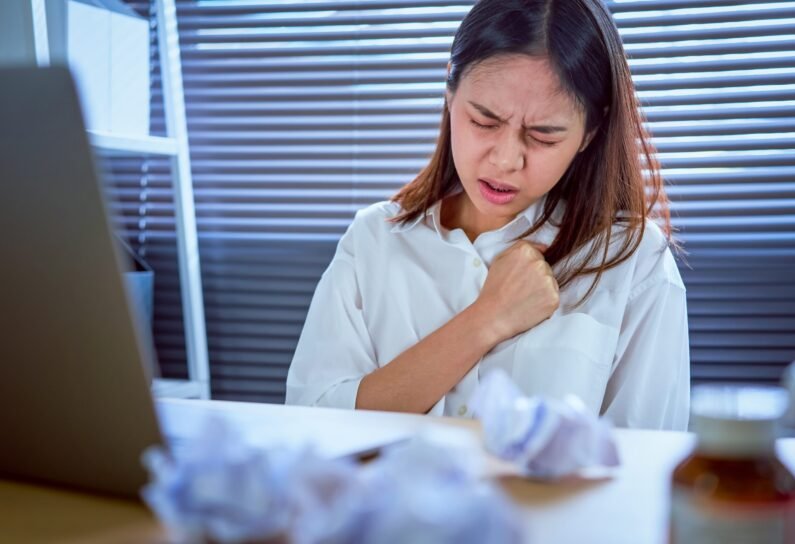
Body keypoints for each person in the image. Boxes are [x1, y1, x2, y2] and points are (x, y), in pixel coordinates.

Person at [285, 0, 690, 430]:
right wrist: (487, 319)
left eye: (544, 136)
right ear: (449, 91)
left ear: (590, 131)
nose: (506, 160)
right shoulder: (373, 240)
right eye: (484, 121)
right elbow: (312, 424)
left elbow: (647, 466)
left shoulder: (636, 263)